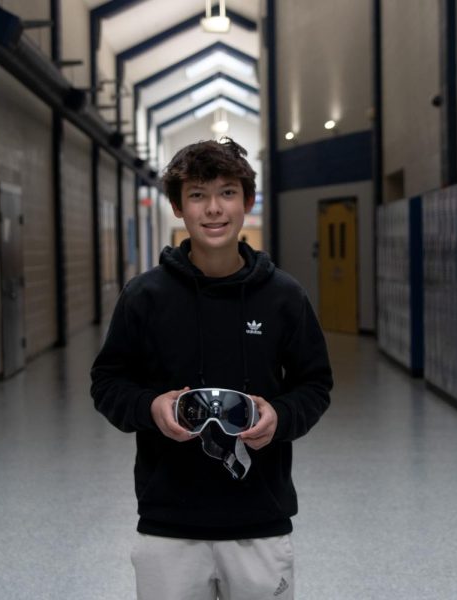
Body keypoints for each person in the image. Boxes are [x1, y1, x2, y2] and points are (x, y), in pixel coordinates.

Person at [90, 137, 333, 600]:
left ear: (248, 200)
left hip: (259, 518)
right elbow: (107, 383)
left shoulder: (284, 296)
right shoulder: (144, 296)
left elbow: (315, 385)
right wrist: (150, 406)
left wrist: (279, 418)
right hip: (168, 523)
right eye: (197, 195)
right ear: (179, 207)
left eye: (226, 192)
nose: (213, 209)